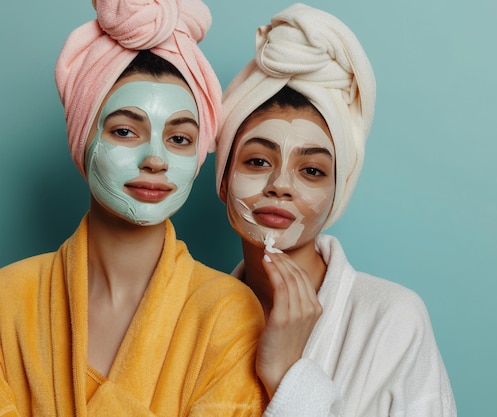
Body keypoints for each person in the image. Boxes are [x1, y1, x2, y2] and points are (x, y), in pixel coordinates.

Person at [0, 0, 265, 415]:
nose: (155, 159)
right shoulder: (7, 300)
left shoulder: (227, 313)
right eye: (125, 130)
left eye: (179, 139)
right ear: (82, 139)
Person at [215, 3, 457, 416]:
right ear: (223, 175)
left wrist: (287, 376)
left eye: (311, 170)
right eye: (257, 161)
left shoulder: (394, 320)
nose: (281, 185)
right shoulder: (197, 312)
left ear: (336, 193)